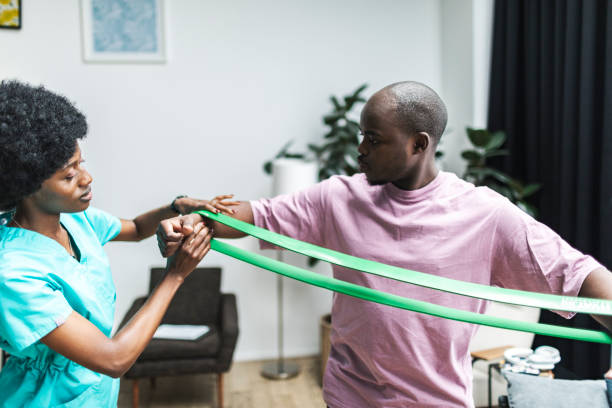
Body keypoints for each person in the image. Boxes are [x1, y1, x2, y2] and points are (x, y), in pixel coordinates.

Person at [158, 81, 612, 407]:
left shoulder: (485, 213)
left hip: (435, 400)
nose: (360, 149)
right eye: (361, 136)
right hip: (349, 394)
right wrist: (196, 221)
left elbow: (579, 275)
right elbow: (257, 218)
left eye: (373, 140)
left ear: (419, 144)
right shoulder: (340, 196)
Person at [0, 80, 227, 407]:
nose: (86, 178)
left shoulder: (76, 219)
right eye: (69, 175)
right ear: (27, 186)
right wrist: (175, 275)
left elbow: (135, 228)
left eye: (81, 163)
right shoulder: (14, 272)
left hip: (96, 394)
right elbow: (115, 359)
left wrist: (177, 206)